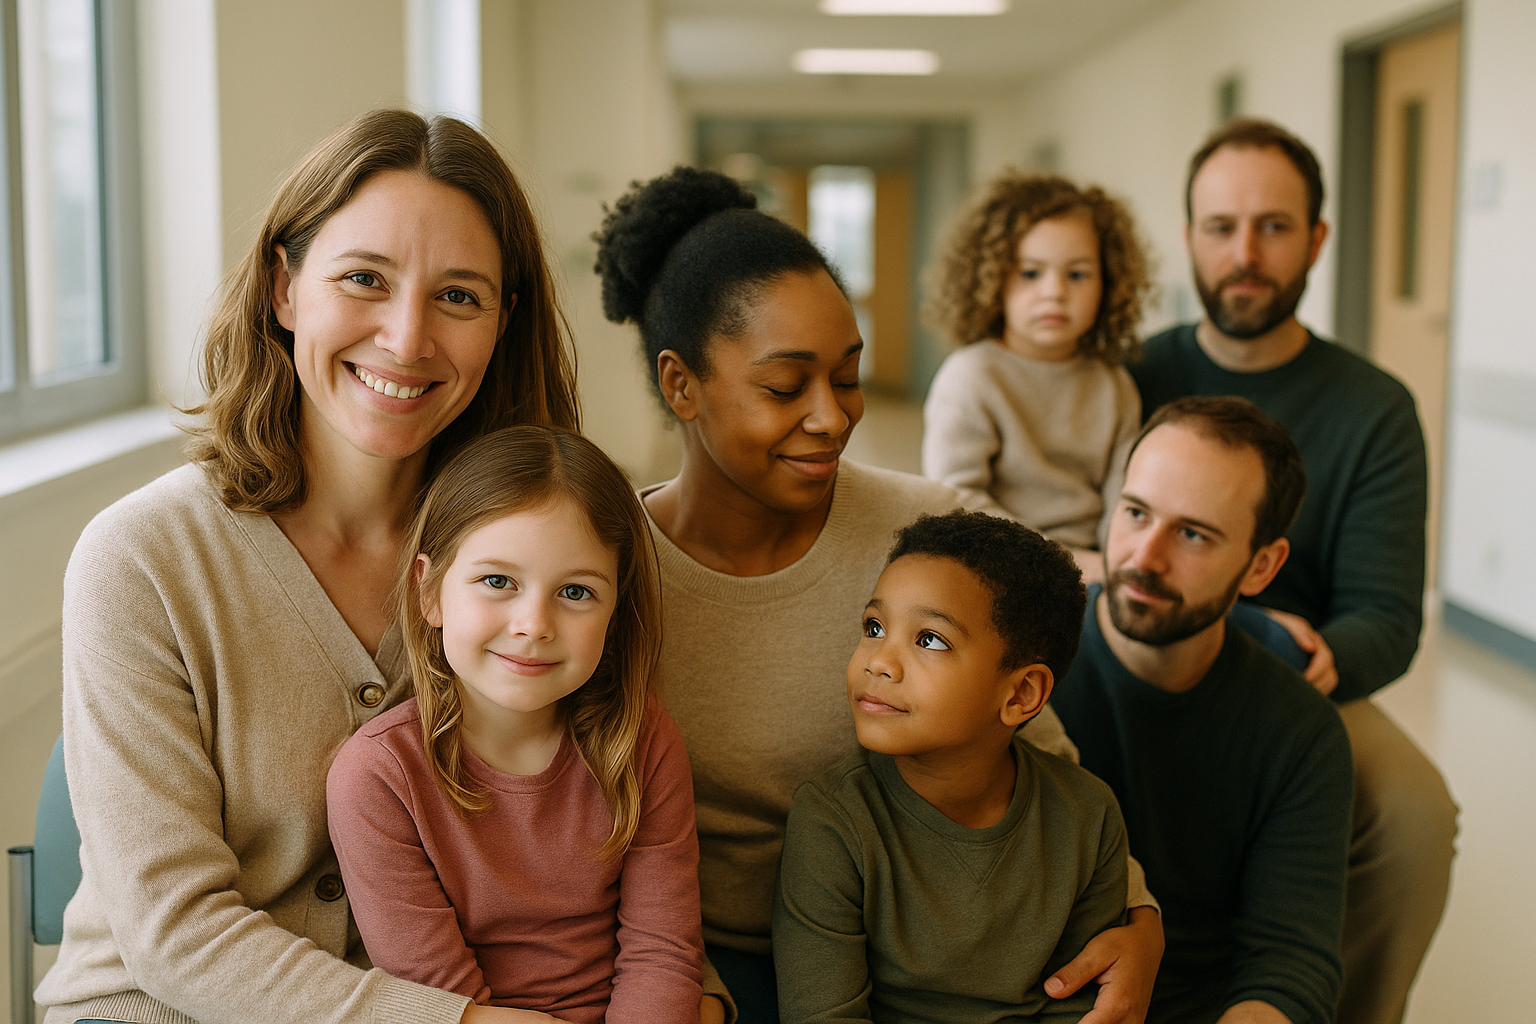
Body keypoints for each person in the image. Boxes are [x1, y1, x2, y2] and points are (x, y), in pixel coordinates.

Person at [37, 110, 586, 1024]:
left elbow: (615, 807)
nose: (408, 339)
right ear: (285, 289)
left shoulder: (533, 563)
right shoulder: (141, 559)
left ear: (502, 323)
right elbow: (174, 930)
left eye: (459, 296)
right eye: (364, 279)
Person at [592, 165, 1165, 1024]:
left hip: (922, 967)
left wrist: (1140, 915)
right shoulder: (602, 575)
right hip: (696, 967)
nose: (831, 416)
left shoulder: (933, 532)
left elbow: (1039, 754)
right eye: (786, 387)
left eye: (848, 377)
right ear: (682, 385)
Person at [1128, 118, 1456, 1024]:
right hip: (1134, 654)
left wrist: (1272, 656)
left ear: (1316, 239)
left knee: (1415, 816)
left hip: (1298, 674)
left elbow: (1385, 617)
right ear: (1188, 235)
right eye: (1220, 226)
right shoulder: (1127, 376)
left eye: (1274, 227)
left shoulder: (1374, 410)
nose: (1245, 253)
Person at [326, 425, 703, 1023]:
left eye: (576, 591)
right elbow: (438, 998)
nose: (534, 624)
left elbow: (663, 949)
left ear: (614, 608)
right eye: (498, 582)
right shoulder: (378, 777)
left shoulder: (640, 736)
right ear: (431, 592)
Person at [1052, 397, 1354, 1024]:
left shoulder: (1300, 731)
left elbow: (1288, 965)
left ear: (1261, 566)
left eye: (1192, 534)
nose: (1145, 557)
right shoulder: (1019, 665)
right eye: (1136, 513)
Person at [773, 511, 1129, 1024]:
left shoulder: (1088, 816)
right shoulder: (833, 820)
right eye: (874, 627)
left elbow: (1080, 1005)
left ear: (1021, 694)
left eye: (929, 640)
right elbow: (823, 1015)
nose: (878, 662)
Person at [923, 174, 1152, 579]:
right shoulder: (971, 377)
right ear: (991, 280)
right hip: (995, 568)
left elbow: (1125, 498)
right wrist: (1067, 562)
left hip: (1097, 570)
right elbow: (954, 502)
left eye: (1077, 275)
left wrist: (1114, 562)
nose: (1055, 292)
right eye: (1031, 273)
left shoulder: (1113, 386)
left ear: (1109, 283)